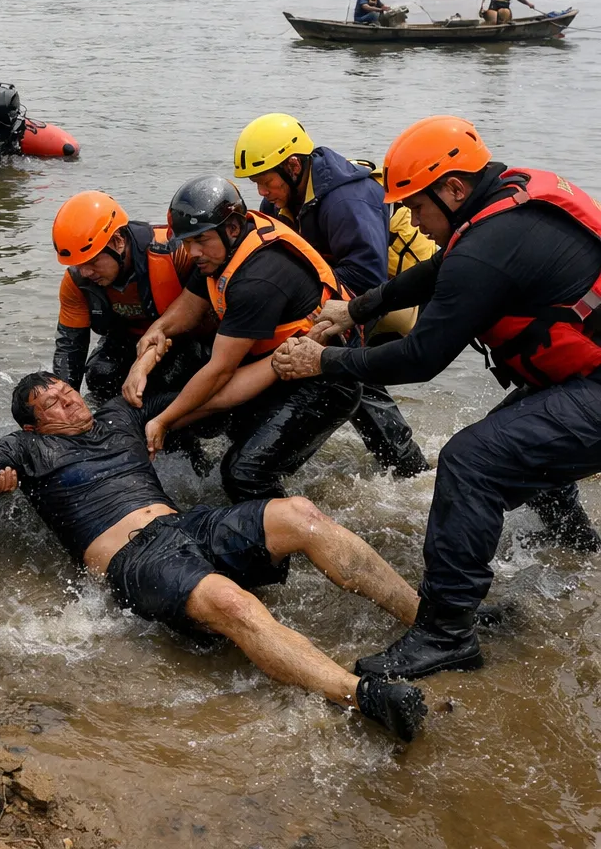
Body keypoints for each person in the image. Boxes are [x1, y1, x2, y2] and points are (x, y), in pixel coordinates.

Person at [0, 373, 427, 741]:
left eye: (64, 389)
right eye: (49, 403)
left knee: (299, 512)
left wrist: (279, 362)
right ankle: (362, 695)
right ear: (32, 423)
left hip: (187, 526)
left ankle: (427, 621)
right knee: (232, 601)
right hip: (133, 560)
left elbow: (213, 391)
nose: (66, 398)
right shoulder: (23, 448)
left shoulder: (120, 415)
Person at [271, 116, 601, 681]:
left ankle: (446, 635)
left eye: (417, 209)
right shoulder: (504, 201)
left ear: (452, 188)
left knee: (471, 462)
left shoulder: (488, 244)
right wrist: (356, 308)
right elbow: (439, 269)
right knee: (520, 430)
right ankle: (577, 545)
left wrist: (322, 360)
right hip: (582, 373)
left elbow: (421, 359)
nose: (414, 223)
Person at [128, 177, 361, 503]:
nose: (191, 252)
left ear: (234, 228)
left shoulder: (257, 277)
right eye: (186, 241)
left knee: (245, 472)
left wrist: (165, 419)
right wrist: (159, 330)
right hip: (281, 361)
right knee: (227, 432)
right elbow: (191, 305)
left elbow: (221, 373)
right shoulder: (218, 250)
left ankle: (286, 538)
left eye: (200, 240)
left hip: (325, 379)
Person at [233, 113, 429, 478]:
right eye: (255, 183)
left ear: (293, 166)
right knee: (342, 368)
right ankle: (406, 467)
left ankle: (406, 470)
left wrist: (297, 302)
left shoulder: (345, 200)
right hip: (346, 289)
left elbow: (365, 275)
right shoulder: (279, 200)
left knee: (339, 364)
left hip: (396, 294)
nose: (261, 192)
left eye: (265, 181)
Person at [52, 191, 209, 400]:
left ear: (117, 241)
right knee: (100, 376)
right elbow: (70, 346)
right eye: (78, 265)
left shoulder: (175, 253)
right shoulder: (76, 281)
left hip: (182, 339)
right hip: (125, 339)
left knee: (167, 380)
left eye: (92, 262)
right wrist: (63, 401)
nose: (85, 273)